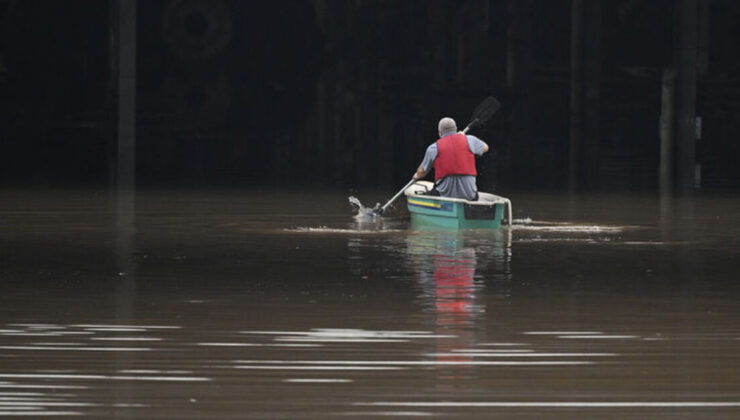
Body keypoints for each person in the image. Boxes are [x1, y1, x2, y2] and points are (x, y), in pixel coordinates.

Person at [412, 117, 489, 201]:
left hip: (444, 196)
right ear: (456, 129)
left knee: (430, 192)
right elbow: (485, 148)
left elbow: (422, 172)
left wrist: (416, 176)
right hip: (470, 196)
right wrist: (464, 137)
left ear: (440, 133)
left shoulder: (433, 148)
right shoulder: (470, 140)